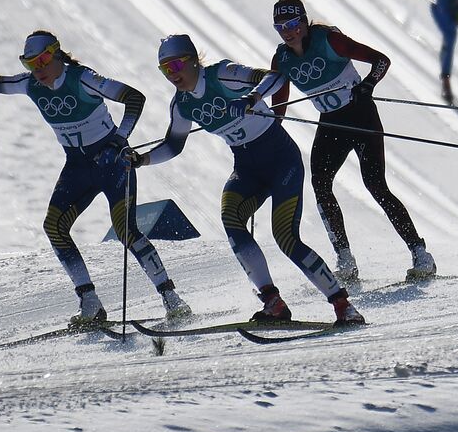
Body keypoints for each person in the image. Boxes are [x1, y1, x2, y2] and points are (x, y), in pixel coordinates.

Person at [0, 26, 190, 327]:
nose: (37, 70)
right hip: (77, 166)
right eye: (30, 64)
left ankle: (172, 299)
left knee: (126, 231)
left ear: (55, 55)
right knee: (54, 226)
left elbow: (134, 98)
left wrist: (119, 140)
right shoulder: (31, 86)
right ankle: (90, 302)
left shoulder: (83, 78)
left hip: (113, 162)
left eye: (41, 61)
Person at [131, 34, 364, 325]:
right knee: (231, 219)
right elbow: (173, 145)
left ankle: (343, 305)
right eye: (165, 69)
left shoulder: (224, 74)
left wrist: (252, 97)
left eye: (177, 64)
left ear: (193, 60)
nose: (173, 73)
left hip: (281, 160)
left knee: (286, 238)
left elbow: (275, 78)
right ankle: (273, 302)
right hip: (246, 167)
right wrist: (141, 159)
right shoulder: (181, 105)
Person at [269, 0, 436, 284]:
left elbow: (381, 60)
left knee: (375, 185)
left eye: (294, 24)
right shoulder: (282, 60)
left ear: (305, 22)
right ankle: (345, 261)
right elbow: (278, 105)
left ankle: (420, 253)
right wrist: (270, 131)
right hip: (330, 123)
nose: (289, 31)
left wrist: (368, 84)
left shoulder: (329, 40)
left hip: (360, 116)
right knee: (320, 185)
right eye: (281, 26)